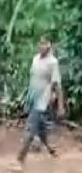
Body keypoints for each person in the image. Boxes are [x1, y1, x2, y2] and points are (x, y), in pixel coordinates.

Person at [16, 36, 65, 165]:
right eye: (40, 43)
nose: (42, 46)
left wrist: (60, 105)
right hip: (33, 97)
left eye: (45, 43)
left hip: (43, 99)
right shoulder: (35, 59)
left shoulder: (53, 62)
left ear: (50, 45)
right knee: (41, 128)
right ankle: (51, 149)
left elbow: (57, 85)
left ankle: (19, 160)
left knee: (31, 129)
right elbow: (33, 80)